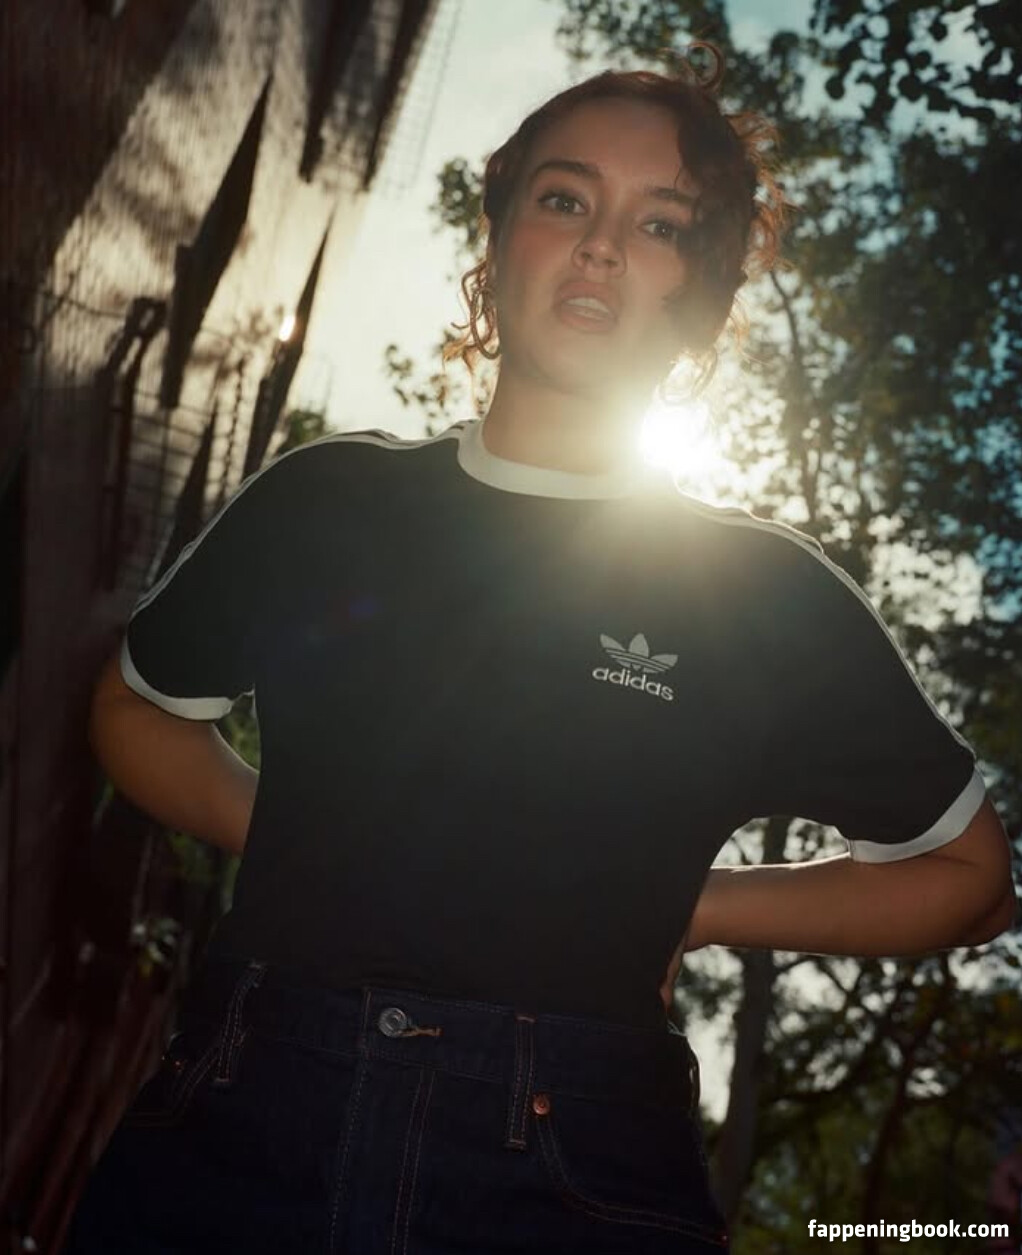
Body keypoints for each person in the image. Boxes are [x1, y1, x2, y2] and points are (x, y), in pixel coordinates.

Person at [67, 48, 1015, 1254]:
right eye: (564, 198)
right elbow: (137, 711)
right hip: (240, 1121)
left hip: (574, 1173)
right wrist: (305, 829)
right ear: (499, 231)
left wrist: (696, 906)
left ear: (703, 294)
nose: (600, 245)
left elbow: (966, 876)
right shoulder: (324, 499)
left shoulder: (764, 595)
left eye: (659, 224)